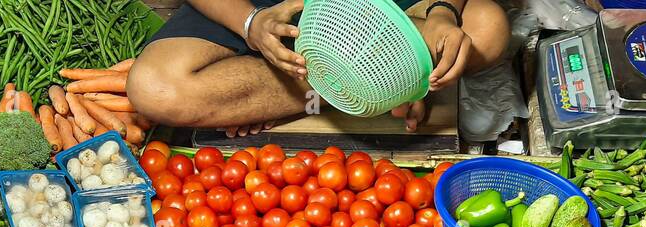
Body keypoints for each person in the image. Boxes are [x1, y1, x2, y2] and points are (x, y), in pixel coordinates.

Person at [126, 0, 510, 136]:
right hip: (272, 6)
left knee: (487, 28)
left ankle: (367, 83)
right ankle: (361, 82)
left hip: (389, 8)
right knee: (155, 88)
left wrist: (442, 12)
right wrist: (250, 23)